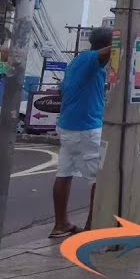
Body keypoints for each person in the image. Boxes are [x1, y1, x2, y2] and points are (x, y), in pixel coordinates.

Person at [50, 27, 112, 238]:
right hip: (87, 129)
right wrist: (129, 40)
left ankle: (61, 225)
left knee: (64, 173)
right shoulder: (90, 60)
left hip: (67, 128)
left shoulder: (76, 63)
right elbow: (108, 52)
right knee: (100, 178)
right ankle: (91, 227)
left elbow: (62, 90)